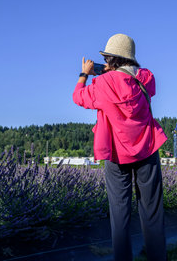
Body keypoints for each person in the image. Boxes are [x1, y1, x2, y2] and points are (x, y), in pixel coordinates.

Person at [72, 33, 168, 261]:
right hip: (148, 148)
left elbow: (78, 97)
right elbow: (142, 87)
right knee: (153, 212)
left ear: (112, 59)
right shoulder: (146, 77)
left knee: (120, 214)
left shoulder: (102, 83)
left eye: (107, 59)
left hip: (116, 153)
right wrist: (116, 72)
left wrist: (84, 74)